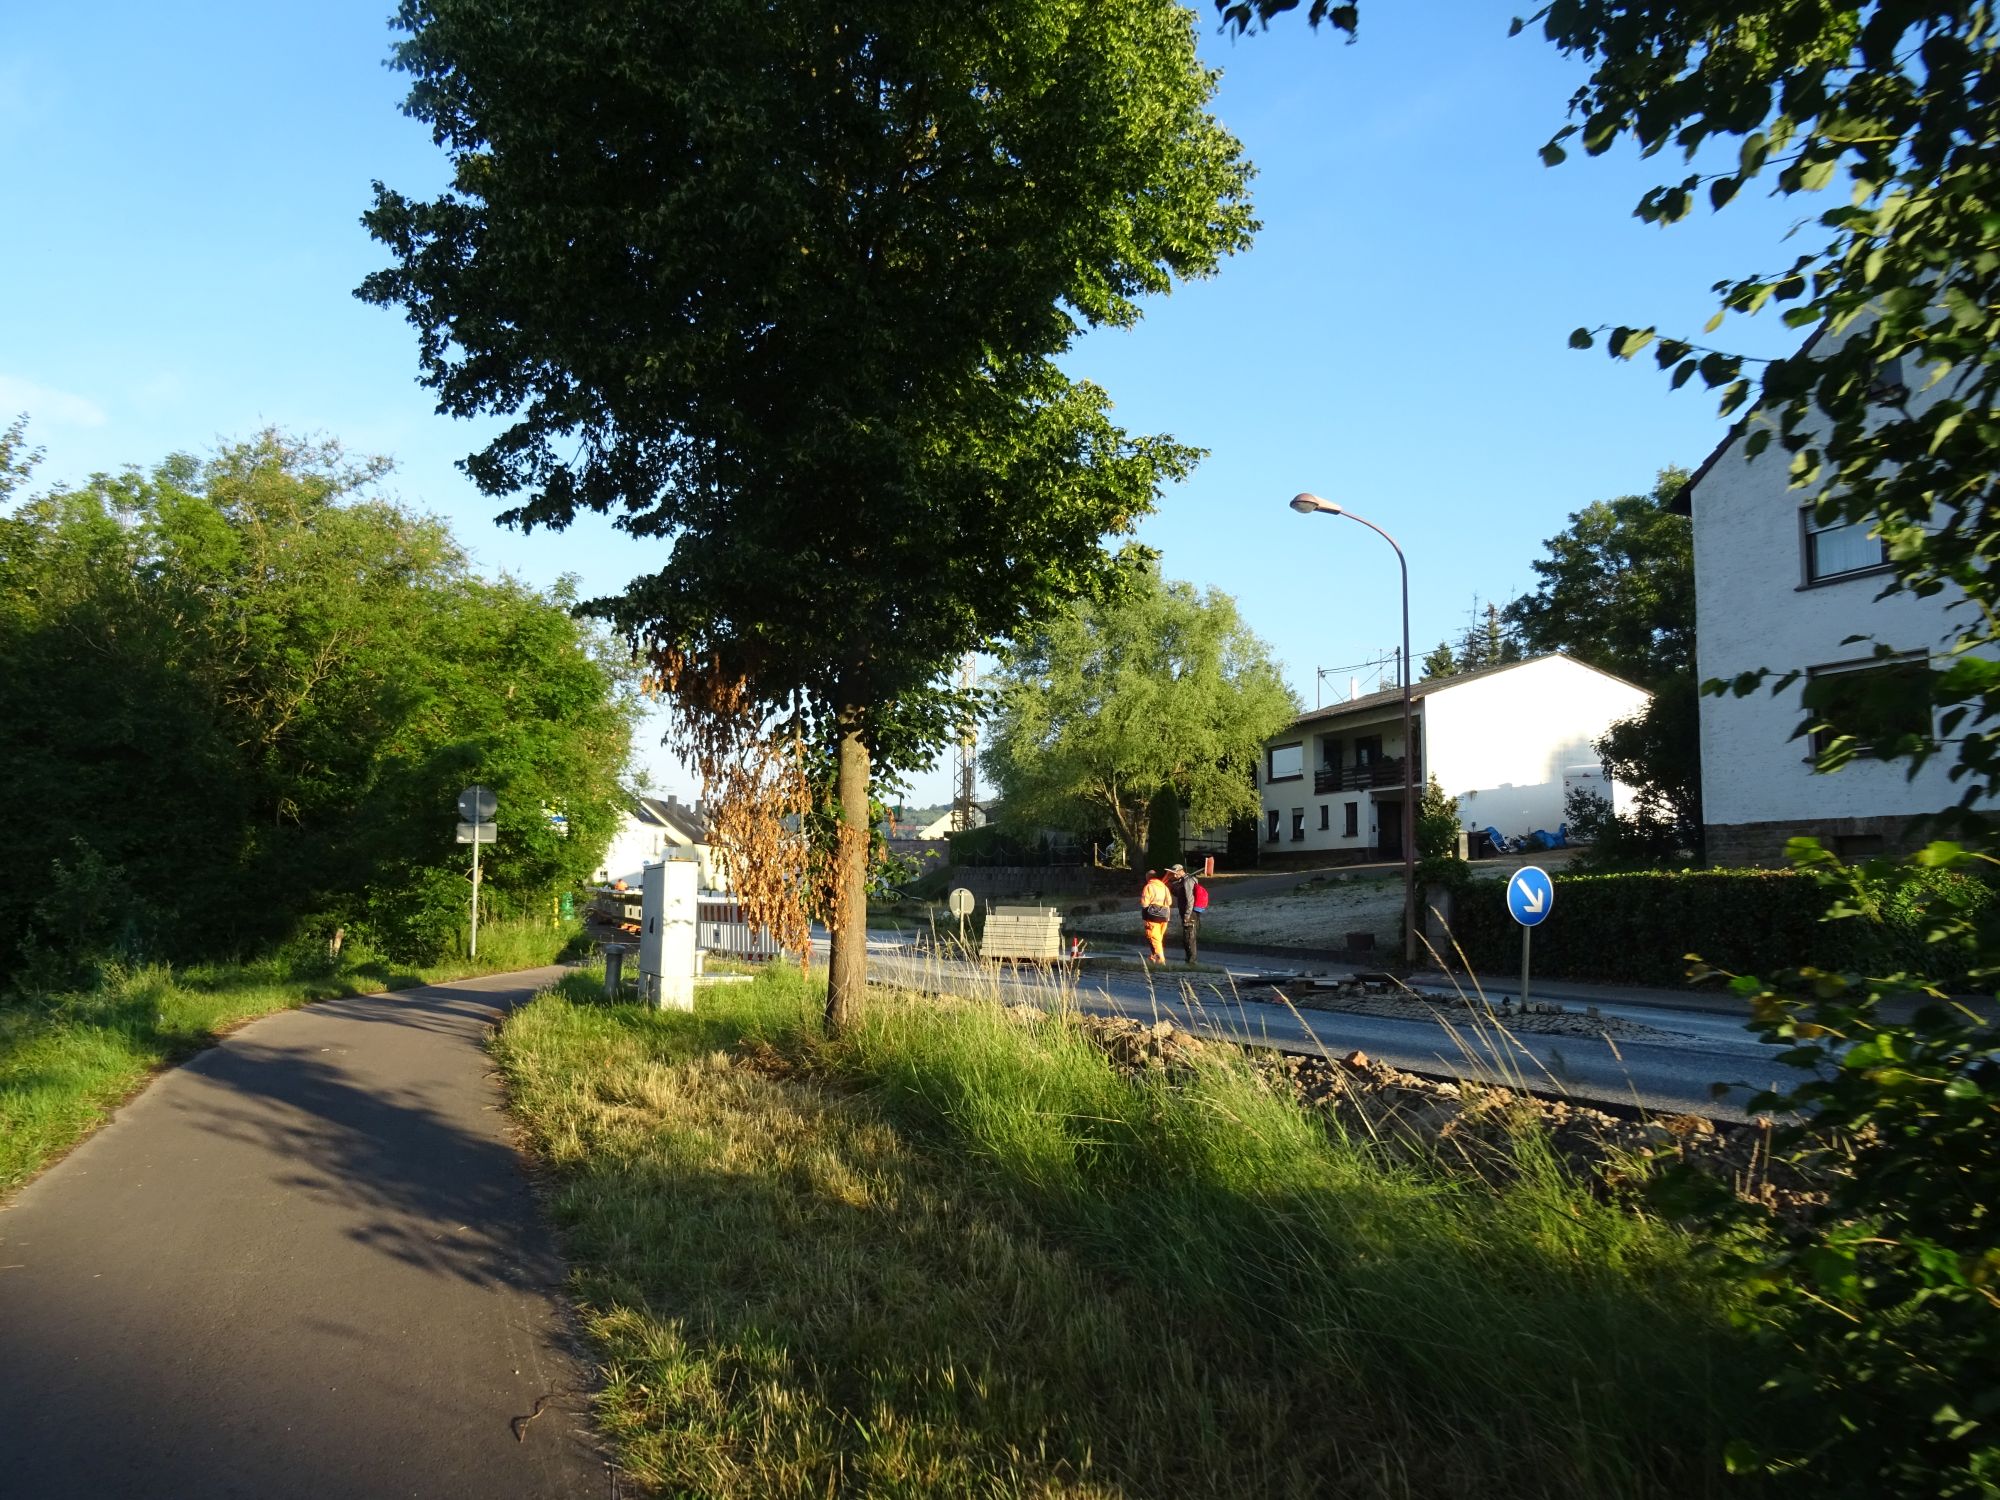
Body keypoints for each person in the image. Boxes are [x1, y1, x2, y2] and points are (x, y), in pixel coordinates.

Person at [1167, 863, 1202, 964]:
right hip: (1187, 913)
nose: (1174, 875)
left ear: (1181, 871)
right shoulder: (1182, 881)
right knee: (1186, 938)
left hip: (1190, 914)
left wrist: (1187, 915)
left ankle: (1192, 962)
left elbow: (1190, 900)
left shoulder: (1188, 881)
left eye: (1175, 873)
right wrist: (1171, 888)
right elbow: (1181, 895)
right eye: (1173, 873)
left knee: (1189, 937)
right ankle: (1189, 959)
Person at [1138, 868, 1171, 964]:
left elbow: (1144, 904)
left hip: (1152, 917)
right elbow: (1169, 902)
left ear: (1148, 878)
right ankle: (1154, 958)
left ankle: (1160, 962)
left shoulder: (1148, 887)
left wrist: (1144, 918)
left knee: (1155, 939)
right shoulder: (1164, 887)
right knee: (1159, 939)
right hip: (1164, 916)